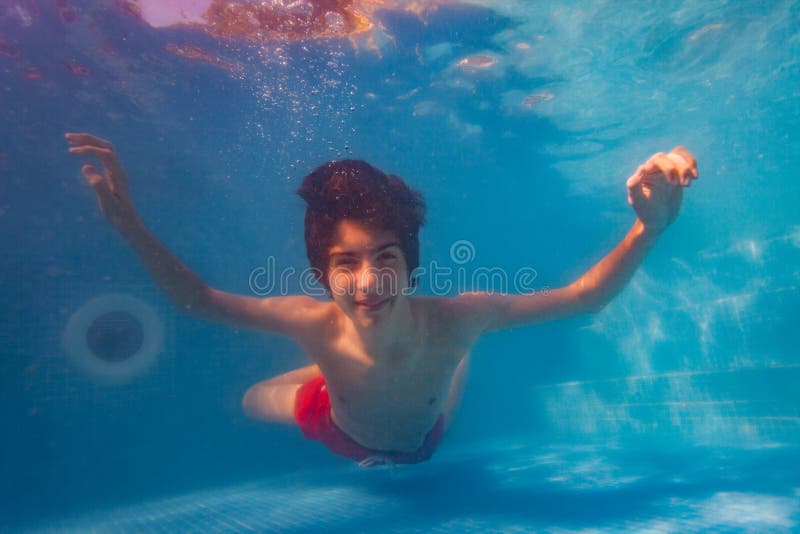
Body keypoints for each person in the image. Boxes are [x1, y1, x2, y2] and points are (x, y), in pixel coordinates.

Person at [66, 132, 698, 466]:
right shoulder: (313, 320)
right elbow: (197, 299)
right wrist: (131, 227)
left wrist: (650, 228)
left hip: (428, 437)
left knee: (457, 349)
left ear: (411, 264)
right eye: (346, 264)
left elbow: (583, 298)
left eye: (385, 260)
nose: (368, 282)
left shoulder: (457, 318)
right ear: (322, 272)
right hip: (337, 428)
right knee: (252, 399)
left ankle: (350, 374)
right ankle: (322, 378)